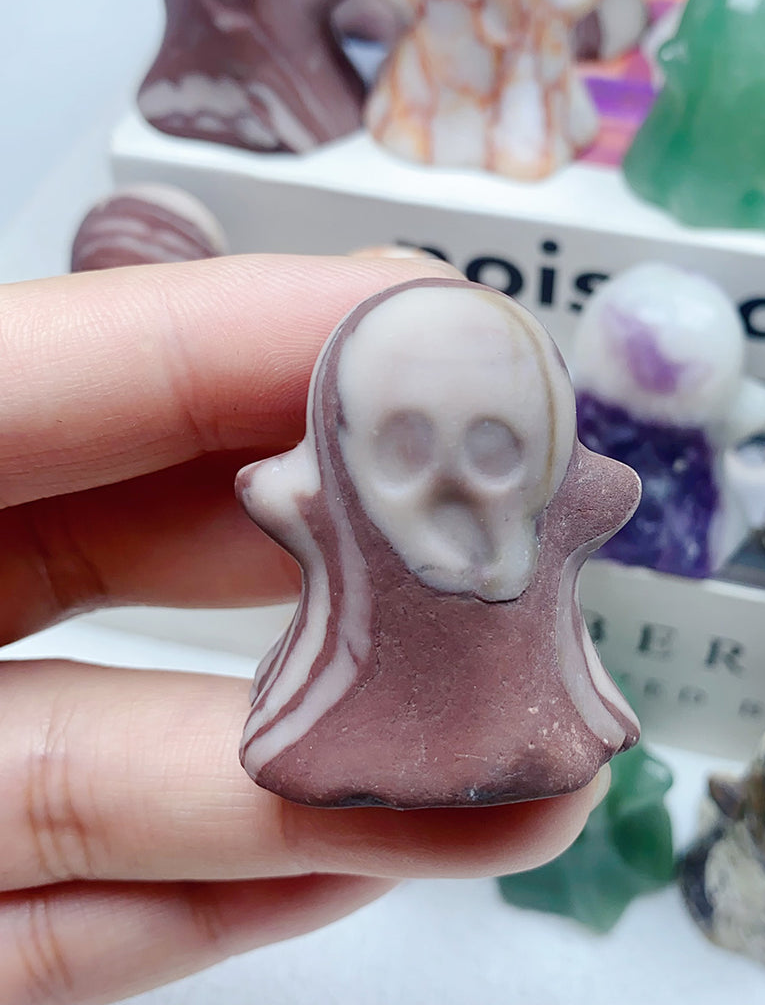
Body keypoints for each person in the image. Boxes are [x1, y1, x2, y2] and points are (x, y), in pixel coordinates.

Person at [0, 254, 609, 1005]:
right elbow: (287, 495)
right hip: (362, 680)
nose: (451, 486)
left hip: (518, 694)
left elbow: (594, 497)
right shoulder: (346, 527)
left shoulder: (528, 545)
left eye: (492, 449)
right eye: (407, 447)